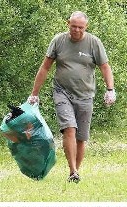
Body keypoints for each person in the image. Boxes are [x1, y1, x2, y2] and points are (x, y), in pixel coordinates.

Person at [28, 11, 115, 183]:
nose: (76, 30)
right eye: (73, 26)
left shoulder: (94, 43)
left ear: (86, 27)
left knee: (81, 138)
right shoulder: (59, 40)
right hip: (62, 92)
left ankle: (75, 172)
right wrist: (34, 94)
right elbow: (45, 67)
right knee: (69, 128)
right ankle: (73, 171)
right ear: (68, 24)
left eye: (80, 27)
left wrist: (110, 89)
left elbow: (105, 67)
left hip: (85, 95)